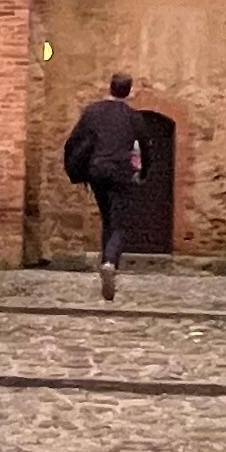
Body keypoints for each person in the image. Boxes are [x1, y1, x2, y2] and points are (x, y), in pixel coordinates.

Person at [60, 72, 147, 301]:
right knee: (119, 224)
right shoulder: (134, 117)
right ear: (129, 91)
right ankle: (110, 262)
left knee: (107, 218)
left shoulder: (92, 112)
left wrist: (75, 169)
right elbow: (146, 149)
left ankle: (105, 262)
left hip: (97, 171)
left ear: (110, 87)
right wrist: (143, 174)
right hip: (121, 173)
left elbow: (73, 142)